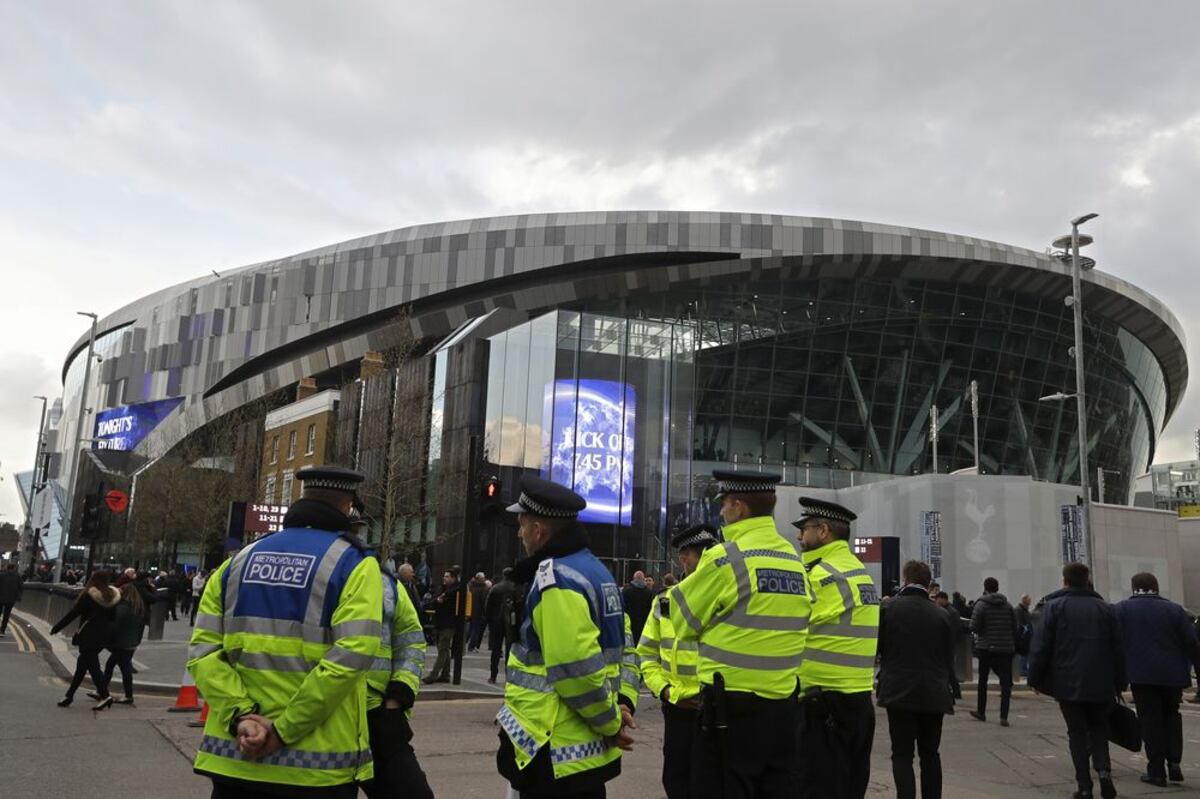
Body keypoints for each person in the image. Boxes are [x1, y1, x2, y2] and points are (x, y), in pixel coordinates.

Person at [187, 465, 383, 798]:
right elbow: (351, 656)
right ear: (348, 508)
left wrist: (242, 718)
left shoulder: (237, 563)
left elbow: (203, 651)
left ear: (301, 499)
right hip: (315, 769)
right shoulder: (355, 564)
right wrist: (282, 731)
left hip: (237, 759)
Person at [669, 471, 811, 798]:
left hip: (731, 712)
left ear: (740, 507)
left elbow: (682, 622)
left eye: (725, 505)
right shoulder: (793, 558)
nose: (721, 513)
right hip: (783, 709)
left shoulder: (726, 557)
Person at [496, 475, 635, 798]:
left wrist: (612, 724)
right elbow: (625, 650)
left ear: (539, 530)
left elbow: (576, 671)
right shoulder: (596, 572)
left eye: (522, 524)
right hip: (580, 756)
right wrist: (618, 709)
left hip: (553, 750)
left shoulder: (555, 579)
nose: (519, 533)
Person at [793, 495, 880, 799]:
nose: (799, 536)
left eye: (804, 529)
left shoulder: (821, 575)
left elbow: (787, 632)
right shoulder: (859, 572)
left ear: (824, 531)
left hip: (823, 708)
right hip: (857, 703)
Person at [352, 510, 433, 799]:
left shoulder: (386, 582)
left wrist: (398, 695)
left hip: (378, 714)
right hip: (324, 714)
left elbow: (411, 639)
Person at [1028, 562, 1125, 799]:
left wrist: (1035, 677)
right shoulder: (1106, 609)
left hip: (1067, 680)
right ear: (1086, 579)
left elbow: (1041, 646)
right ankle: (1104, 773)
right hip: (1101, 681)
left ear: (1065, 580)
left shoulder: (1055, 607)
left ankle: (1084, 785)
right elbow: (1118, 649)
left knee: (1077, 733)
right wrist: (1120, 681)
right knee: (1099, 728)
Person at [639, 524, 716, 799]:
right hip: (679, 711)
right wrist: (665, 690)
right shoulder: (664, 602)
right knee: (677, 782)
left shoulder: (729, 599)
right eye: (697, 557)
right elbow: (646, 655)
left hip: (718, 710)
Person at [877, 561, 955, 799]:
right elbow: (947, 656)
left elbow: (879, 648)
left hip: (898, 690)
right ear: (928, 583)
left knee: (902, 754)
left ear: (904, 579)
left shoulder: (889, 609)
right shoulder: (942, 615)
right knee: (931, 753)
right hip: (934, 691)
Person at [1113, 572, 1200, 787]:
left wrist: (1116, 676)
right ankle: (1174, 762)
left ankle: (1156, 769)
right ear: (1156, 587)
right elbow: (1192, 643)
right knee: (1172, 715)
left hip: (1141, 675)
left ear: (1134, 588)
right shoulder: (1175, 610)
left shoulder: (1122, 610)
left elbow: (1114, 644)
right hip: (1173, 676)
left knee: (1150, 720)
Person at [49, 570, 121, 710]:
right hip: (103, 635)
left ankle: (105, 695)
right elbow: (113, 618)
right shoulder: (112, 596)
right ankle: (69, 696)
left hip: (88, 634)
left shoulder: (89, 595)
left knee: (93, 667)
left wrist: (57, 627)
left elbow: (73, 613)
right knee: (81, 667)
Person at [969, 577, 1017, 726]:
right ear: (997, 588)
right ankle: (1004, 716)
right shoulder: (1008, 605)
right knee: (1005, 683)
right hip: (1006, 647)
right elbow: (1014, 627)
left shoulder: (981, 604)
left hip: (986, 647)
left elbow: (974, 626)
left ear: (985, 588)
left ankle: (981, 711)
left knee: (983, 680)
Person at [92, 582, 146, 705]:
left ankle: (122, 694)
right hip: (132, 643)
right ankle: (104, 691)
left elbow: (114, 625)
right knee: (116, 666)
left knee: (119, 668)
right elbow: (141, 627)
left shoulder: (123, 608)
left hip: (121, 643)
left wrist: (107, 639)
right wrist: (138, 640)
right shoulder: (138, 607)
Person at [423, 569, 461, 684]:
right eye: (444, 576)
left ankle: (433, 675)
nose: (444, 578)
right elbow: (433, 600)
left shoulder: (456, 589)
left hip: (449, 624)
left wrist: (443, 596)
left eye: (447, 576)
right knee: (443, 650)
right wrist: (438, 599)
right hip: (440, 623)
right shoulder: (442, 588)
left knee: (443, 650)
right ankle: (445, 675)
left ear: (454, 578)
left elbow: (452, 595)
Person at [484, 567, 517, 684]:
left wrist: (489, 621)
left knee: (496, 650)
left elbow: (487, 607)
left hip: (496, 622)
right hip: (511, 623)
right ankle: (509, 676)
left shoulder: (495, 588)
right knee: (510, 649)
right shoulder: (515, 587)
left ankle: (493, 675)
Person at [622, 570, 653, 645]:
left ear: (633, 579)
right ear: (643, 579)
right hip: (643, 625)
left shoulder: (626, 591)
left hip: (629, 624)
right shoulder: (649, 593)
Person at [467, 571, 489, 652]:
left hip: (470, 610)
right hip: (478, 612)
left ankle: (464, 643)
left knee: (470, 628)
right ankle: (471, 646)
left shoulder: (471, 586)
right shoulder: (483, 588)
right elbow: (484, 601)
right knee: (476, 630)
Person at [0, 562, 23, 636]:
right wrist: (18, 597)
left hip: (0, 598)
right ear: (14, 568)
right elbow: (21, 587)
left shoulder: (1, 575)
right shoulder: (17, 576)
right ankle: (2, 631)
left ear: (7, 568)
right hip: (11, 599)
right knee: (6, 615)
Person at [1015, 594, 1033, 678]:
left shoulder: (1025, 610)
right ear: (1024, 600)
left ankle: (1024, 669)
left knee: (1026, 654)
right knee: (1023, 654)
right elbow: (1019, 624)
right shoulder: (1019, 610)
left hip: (1027, 636)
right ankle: (1022, 670)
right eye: (1029, 599)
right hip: (1023, 637)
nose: (1030, 601)